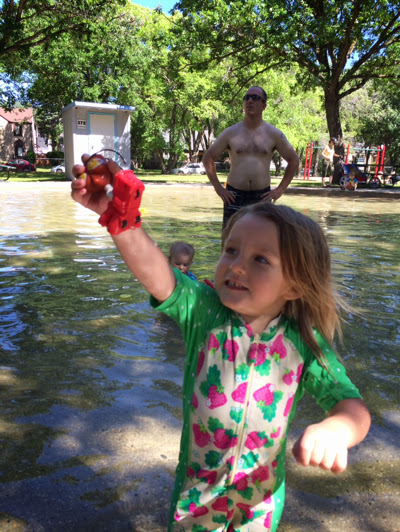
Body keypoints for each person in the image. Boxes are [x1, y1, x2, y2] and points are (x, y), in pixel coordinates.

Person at [71, 156, 371, 532]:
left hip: (260, 505)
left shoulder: (303, 342)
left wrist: (336, 430)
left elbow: (352, 407)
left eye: (260, 259)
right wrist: (121, 221)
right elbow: (158, 275)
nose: (237, 265)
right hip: (196, 500)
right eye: (231, 250)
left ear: (295, 285)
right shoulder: (205, 313)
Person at [202, 86, 299, 228]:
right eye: (246, 97)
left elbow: (294, 160)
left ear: (264, 106)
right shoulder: (231, 133)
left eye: (255, 98)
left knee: (261, 238)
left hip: (262, 197)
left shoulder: (273, 134)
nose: (250, 101)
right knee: (230, 237)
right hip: (233, 196)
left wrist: (279, 190)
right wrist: (218, 188)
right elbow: (208, 158)